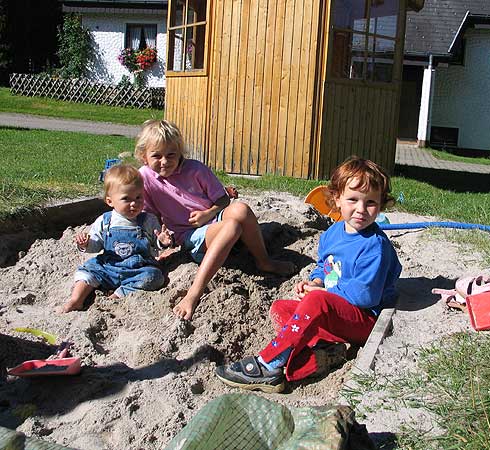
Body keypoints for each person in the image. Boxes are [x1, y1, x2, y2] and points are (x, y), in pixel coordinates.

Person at [215, 156, 402, 393]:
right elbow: (326, 264)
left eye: (371, 203)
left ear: (381, 204)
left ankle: (269, 364)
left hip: (364, 320)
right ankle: (324, 351)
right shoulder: (333, 233)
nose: (361, 210)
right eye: (353, 200)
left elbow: (366, 296)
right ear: (337, 199)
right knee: (281, 308)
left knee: (316, 301)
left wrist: (324, 292)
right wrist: (316, 280)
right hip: (336, 314)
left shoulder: (374, 247)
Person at [135, 119, 295, 320]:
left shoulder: (195, 169)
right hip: (190, 235)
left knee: (241, 210)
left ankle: (264, 261)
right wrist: (161, 239)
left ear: (180, 153)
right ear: (144, 157)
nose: (165, 161)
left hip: (212, 218)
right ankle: (194, 293)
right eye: (156, 156)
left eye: (171, 155)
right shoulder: (145, 178)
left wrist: (208, 214)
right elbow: (150, 216)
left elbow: (222, 199)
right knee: (232, 227)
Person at [58, 164, 173, 313]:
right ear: (110, 201)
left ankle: (118, 294)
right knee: (87, 269)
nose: (134, 203)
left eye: (139, 197)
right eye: (126, 199)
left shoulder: (148, 220)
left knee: (154, 277)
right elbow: (96, 245)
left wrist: (162, 242)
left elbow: (154, 246)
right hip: (109, 267)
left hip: (137, 269)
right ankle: (76, 300)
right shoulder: (104, 221)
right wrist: (86, 244)